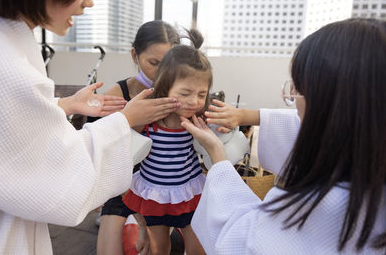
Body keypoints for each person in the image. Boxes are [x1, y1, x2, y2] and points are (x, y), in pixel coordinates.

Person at [0, 0, 180, 254]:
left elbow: (8, 123)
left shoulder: (3, 41)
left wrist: (60, 105)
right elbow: (52, 165)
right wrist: (126, 121)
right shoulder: (2, 61)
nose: (89, 1)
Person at [181, 18, 386, 254]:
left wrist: (218, 157)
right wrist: (245, 116)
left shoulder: (321, 211)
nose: (294, 104)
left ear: (329, 104)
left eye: (299, 91)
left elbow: (241, 239)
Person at [120, 29, 211, 255]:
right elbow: (125, 142)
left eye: (201, 94)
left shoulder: (197, 119)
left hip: (188, 192)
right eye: (186, 92)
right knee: (159, 248)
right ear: (165, 86)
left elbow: (218, 142)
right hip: (155, 194)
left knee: (198, 247)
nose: (194, 101)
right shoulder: (149, 119)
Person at [97, 20, 180, 255]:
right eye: (153, 63)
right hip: (122, 187)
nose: (162, 72)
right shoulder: (117, 95)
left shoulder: (181, 94)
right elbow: (108, 160)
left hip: (163, 189)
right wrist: (142, 221)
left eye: (169, 64)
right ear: (135, 55)